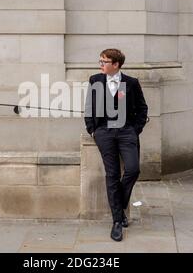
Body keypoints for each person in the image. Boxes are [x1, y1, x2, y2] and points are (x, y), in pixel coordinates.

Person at [84, 48, 148, 242]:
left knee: (133, 169)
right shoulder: (95, 80)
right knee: (112, 174)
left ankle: (119, 204)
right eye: (100, 61)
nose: (100, 64)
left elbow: (143, 108)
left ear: (116, 64)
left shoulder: (131, 83)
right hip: (104, 132)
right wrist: (92, 130)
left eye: (104, 61)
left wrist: (135, 129)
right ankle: (117, 221)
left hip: (126, 131)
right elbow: (89, 106)